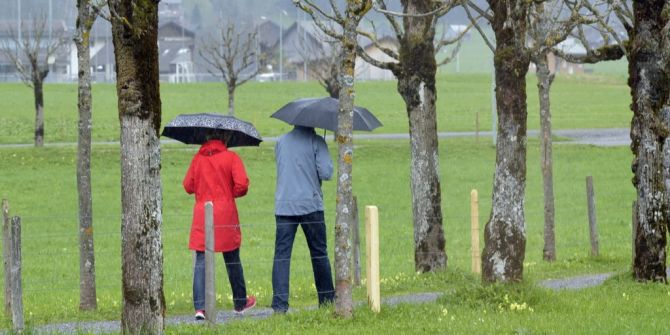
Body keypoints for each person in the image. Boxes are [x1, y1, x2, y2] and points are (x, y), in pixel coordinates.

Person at [183, 132, 256, 320]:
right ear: (225, 138)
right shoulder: (231, 157)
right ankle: (240, 302)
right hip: (225, 213)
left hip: (202, 213)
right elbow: (242, 185)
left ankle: (200, 307)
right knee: (232, 257)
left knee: (200, 259)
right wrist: (227, 193)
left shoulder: (197, 159)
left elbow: (188, 186)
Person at [272, 125, 335, 313]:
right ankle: (326, 300)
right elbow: (327, 173)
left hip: (284, 203)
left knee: (282, 256)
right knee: (319, 253)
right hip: (311, 204)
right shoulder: (317, 141)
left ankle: (279, 306)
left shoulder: (280, 141)